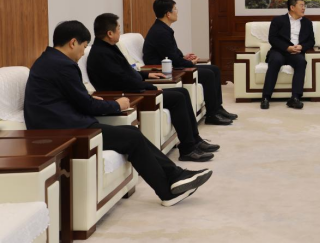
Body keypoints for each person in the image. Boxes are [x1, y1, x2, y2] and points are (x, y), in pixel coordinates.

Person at [24, 21, 212, 206]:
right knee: (132, 138)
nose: (82, 53)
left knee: (132, 133)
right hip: (62, 131)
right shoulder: (63, 65)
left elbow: (71, 97)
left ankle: (175, 176)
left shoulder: (49, 60)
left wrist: (91, 100)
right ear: (73, 42)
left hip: (61, 124)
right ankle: (167, 190)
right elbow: (87, 105)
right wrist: (116, 105)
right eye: (83, 46)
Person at [87, 13, 218, 162]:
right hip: (126, 95)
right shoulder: (101, 54)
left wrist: (146, 75)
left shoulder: (108, 48)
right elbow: (122, 80)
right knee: (178, 97)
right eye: (118, 29)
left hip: (132, 89)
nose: (120, 32)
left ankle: (195, 140)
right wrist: (151, 87)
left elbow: (127, 72)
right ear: (109, 33)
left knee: (182, 92)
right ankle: (188, 149)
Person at [143, 0, 237, 126]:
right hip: (164, 70)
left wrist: (184, 57)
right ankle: (212, 114)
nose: (177, 11)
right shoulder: (161, 32)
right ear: (168, 14)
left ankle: (217, 108)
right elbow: (173, 60)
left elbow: (171, 53)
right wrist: (191, 63)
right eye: (175, 9)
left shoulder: (163, 28)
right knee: (208, 74)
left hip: (170, 65)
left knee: (214, 69)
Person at [260, 0, 314, 110]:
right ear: (292, 7)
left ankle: (295, 98)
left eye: (304, 5)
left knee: (301, 62)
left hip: (296, 52)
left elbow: (311, 41)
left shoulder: (307, 23)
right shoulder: (278, 20)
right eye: (301, 5)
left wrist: (301, 47)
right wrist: (287, 48)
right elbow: (272, 39)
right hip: (279, 51)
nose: (304, 8)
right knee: (275, 60)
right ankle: (266, 97)